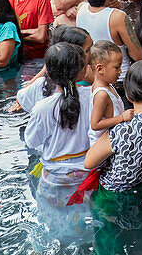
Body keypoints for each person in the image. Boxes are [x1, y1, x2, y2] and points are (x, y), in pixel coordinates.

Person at [80, 60, 142, 217]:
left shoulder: (121, 130)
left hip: (114, 196)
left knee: (108, 236)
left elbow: (89, 162)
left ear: (128, 92)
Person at [24, 43, 93, 192]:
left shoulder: (42, 108)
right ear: (82, 72)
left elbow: (31, 141)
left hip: (55, 178)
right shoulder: (94, 97)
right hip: (87, 174)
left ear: (48, 73)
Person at [76, 0, 142, 82]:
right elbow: (138, 55)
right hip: (118, 78)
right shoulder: (118, 17)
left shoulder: (80, 8)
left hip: (92, 76)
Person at [88, 41, 130, 145]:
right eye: (117, 67)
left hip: (110, 141)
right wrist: (122, 118)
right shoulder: (102, 94)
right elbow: (95, 124)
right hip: (101, 147)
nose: (120, 71)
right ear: (100, 68)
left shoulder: (108, 85)